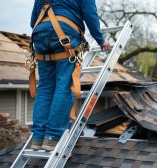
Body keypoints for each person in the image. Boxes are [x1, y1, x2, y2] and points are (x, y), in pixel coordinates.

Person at [30, 0, 110, 151]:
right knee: (64, 85)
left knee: (45, 86)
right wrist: (100, 40)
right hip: (64, 33)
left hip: (40, 34)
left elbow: (33, 21)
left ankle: (38, 138)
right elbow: (90, 15)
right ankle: (53, 137)